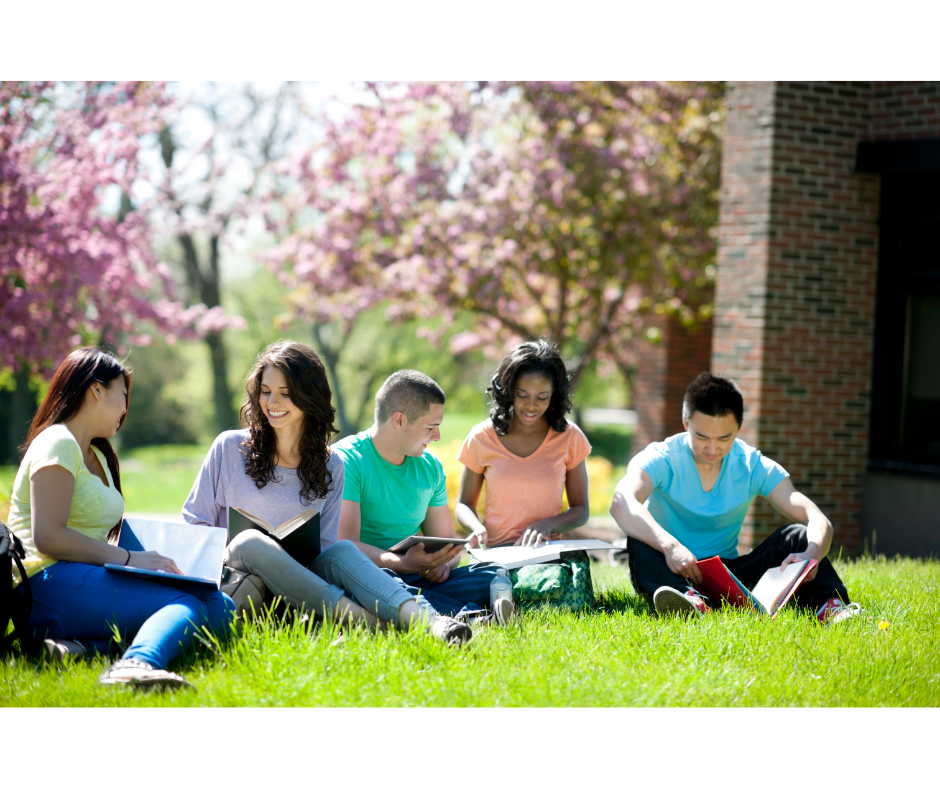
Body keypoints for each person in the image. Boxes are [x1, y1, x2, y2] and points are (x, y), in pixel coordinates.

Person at [183, 341, 472, 645]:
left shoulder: (331, 463)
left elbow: (325, 550)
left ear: (309, 397)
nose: (272, 402)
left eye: (285, 393)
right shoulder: (229, 447)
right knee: (250, 542)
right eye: (266, 391)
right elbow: (194, 526)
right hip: (241, 582)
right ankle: (366, 622)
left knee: (343, 550)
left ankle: (433, 625)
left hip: (302, 594)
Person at [6, 347, 234, 690]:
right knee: (182, 603)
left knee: (220, 607)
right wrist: (129, 559)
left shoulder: (96, 452)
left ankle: (81, 649)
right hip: (43, 584)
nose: (126, 408)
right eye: (123, 395)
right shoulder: (57, 442)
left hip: (83, 578)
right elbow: (48, 537)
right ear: (96, 390)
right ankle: (134, 665)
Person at [610, 372, 860, 623]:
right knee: (639, 539)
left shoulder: (752, 465)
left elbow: (817, 519)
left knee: (798, 535)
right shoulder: (662, 457)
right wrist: (670, 546)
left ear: (738, 429)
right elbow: (621, 501)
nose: (712, 448)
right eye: (701, 437)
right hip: (669, 570)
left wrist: (812, 554)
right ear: (686, 424)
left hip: (729, 575)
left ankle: (831, 607)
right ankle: (688, 602)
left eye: (724, 438)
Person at [334, 370, 514, 625]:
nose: (437, 436)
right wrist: (401, 563)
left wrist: (442, 564)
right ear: (399, 421)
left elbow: (448, 546)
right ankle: (472, 616)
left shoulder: (430, 467)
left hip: (416, 575)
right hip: (369, 575)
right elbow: (344, 546)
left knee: (494, 575)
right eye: (431, 427)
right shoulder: (347, 461)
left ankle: (430, 609)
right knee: (389, 584)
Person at [455, 339, 591, 549]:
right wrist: (476, 528)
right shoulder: (482, 436)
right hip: (495, 554)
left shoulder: (570, 437)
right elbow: (464, 504)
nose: (531, 405)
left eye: (542, 397)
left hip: (545, 554)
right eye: (522, 395)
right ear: (509, 390)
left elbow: (581, 509)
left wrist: (547, 525)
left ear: (554, 393)